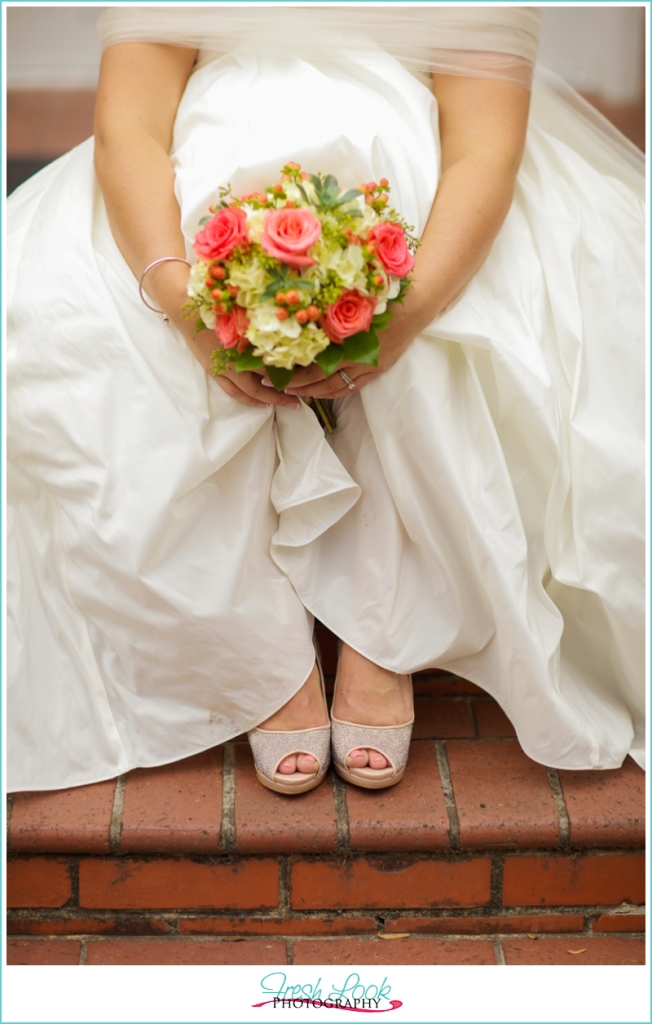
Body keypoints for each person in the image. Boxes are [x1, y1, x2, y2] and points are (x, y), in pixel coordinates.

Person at [7, 6, 644, 795]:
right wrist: (187, 306)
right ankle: (260, 649)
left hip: (423, 168)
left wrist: (406, 315)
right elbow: (131, 127)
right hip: (202, 168)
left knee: (395, 187)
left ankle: (383, 623)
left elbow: (482, 144)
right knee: (95, 313)